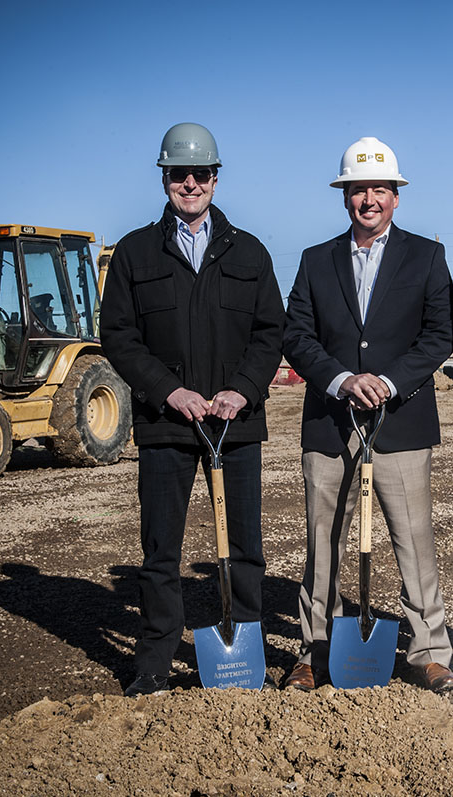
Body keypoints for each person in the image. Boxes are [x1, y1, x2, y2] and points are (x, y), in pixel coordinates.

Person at [101, 122, 284, 696]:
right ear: (164, 177)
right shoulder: (134, 252)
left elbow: (270, 331)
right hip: (166, 426)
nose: (189, 183)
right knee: (161, 551)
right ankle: (154, 664)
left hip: (236, 424)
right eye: (178, 174)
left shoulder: (249, 251)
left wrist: (243, 390)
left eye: (200, 174)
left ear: (214, 178)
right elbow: (119, 335)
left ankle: (245, 651)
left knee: (246, 545)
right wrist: (168, 391)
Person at [281, 136, 453, 693]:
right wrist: (341, 379)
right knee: (322, 540)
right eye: (359, 189)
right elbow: (296, 335)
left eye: (380, 189)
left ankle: (428, 651)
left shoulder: (427, 257)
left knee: (414, 538)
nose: (370, 199)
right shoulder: (316, 261)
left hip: (400, 422)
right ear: (345, 196)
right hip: (330, 425)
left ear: (396, 196)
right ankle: (315, 650)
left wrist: (387, 381)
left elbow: (439, 335)